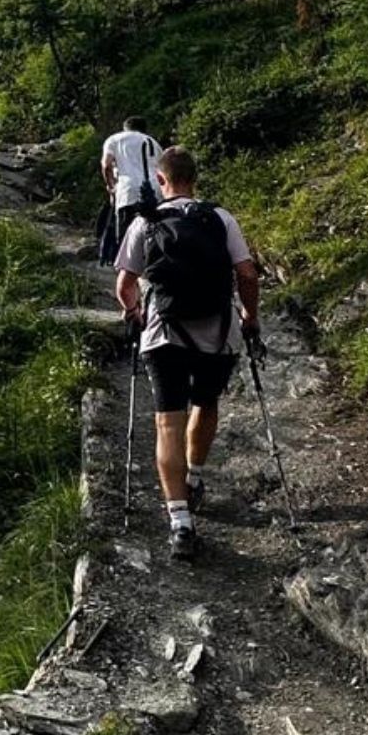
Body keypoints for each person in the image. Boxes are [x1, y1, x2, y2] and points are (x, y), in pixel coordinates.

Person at [113, 146, 262, 562]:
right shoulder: (220, 217)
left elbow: (125, 284)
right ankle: (194, 477)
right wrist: (250, 317)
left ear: (161, 181)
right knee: (206, 402)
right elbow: (247, 273)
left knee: (167, 424)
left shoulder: (148, 221)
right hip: (218, 332)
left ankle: (180, 522)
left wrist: (135, 312)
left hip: (165, 334)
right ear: (195, 177)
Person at [100, 116, 162, 251]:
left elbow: (106, 165)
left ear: (125, 128)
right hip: (154, 192)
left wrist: (111, 188)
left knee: (126, 241)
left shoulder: (114, 139)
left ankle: (128, 269)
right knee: (152, 238)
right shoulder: (153, 142)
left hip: (127, 192)